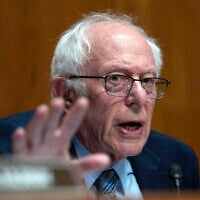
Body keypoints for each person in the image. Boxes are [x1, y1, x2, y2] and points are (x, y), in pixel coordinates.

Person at [0, 12, 199, 199]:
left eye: (147, 80)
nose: (139, 96)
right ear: (67, 93)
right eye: (116, 78)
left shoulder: (177, 160)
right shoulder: (10, 155)